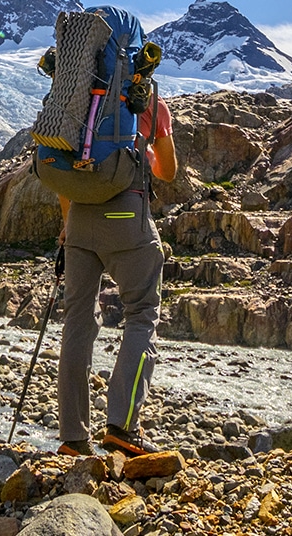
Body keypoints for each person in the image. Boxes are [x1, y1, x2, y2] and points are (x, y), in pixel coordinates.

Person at [54, 88, 177, 457]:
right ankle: (123, 427)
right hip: (128, 216)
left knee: (77, 320)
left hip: (79, 218)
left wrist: (68, 225)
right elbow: (168, 172)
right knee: (141, 314)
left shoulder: (74, 100)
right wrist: (148, 149)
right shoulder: (148, 103)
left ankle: (74, 437)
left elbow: (64, 177)